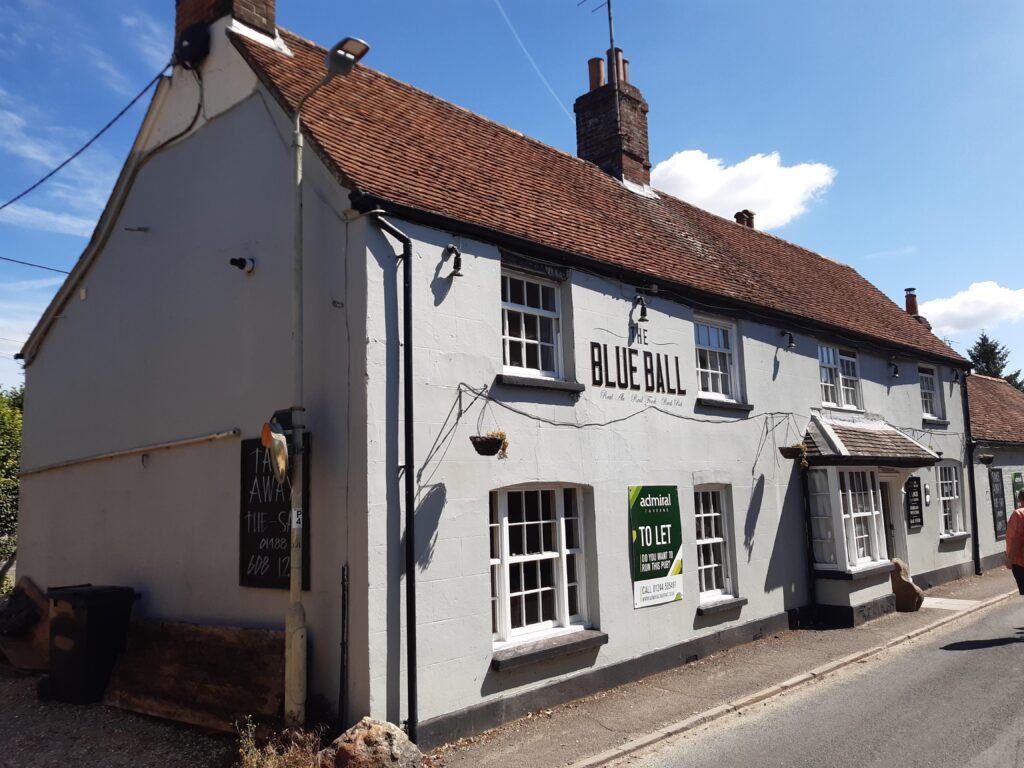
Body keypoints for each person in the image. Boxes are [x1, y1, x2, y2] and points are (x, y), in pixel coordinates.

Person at [1007, 490, 1024, 594]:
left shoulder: (1018, 514)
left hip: (1021, 562)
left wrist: (1010, 560)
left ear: (1020, 500)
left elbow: (1017, 540)